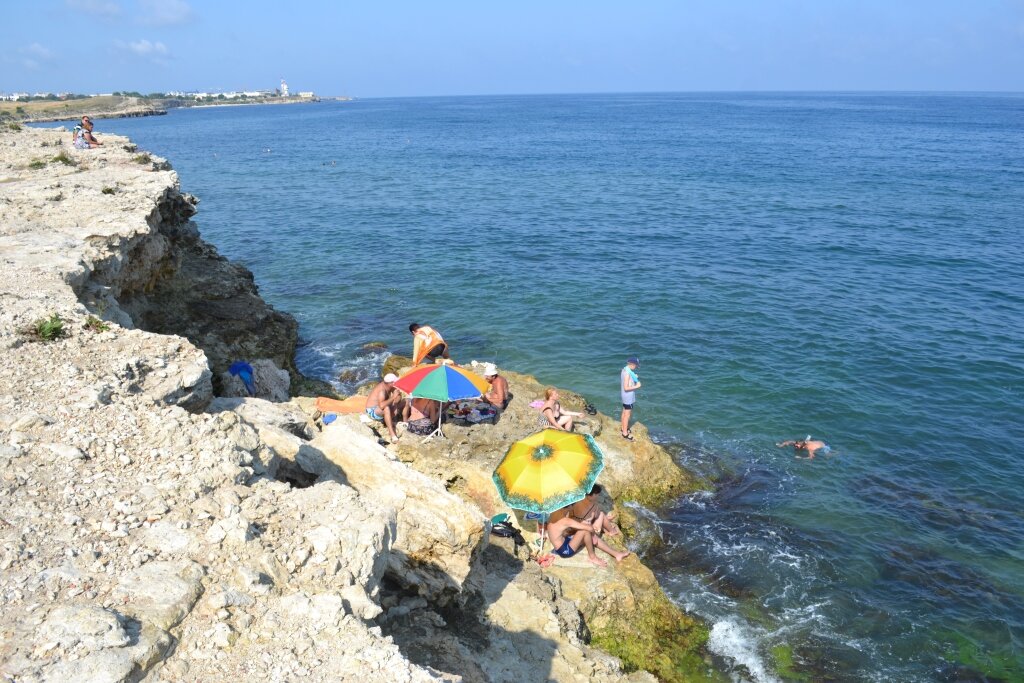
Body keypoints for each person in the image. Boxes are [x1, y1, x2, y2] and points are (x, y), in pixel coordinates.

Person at [543, 512, 630, 567]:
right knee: (585, 532)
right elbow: (588, 528)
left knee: (586, 534)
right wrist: (593, 534)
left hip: (562, 543)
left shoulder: (554, 515)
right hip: (565, 550)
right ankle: (593, 557)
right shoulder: (565, 520)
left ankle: (616, 554)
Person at [365, 373, 405, 442]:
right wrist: (393, 397)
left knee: (405, 401)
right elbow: (381, 406)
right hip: (372, 410)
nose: (396, 383)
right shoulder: (382, 391)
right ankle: (392, 435)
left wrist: (398, 396)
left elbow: (398, 399)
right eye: (394, 382)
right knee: (386, 408)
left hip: (382, 407)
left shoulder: (389, 386)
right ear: (390, 383)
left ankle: (405, 423)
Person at [620, 357, 641, 440]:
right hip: (628, 397)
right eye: (636, 366)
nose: (636, 367)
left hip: (624, 396)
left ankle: (623, 428)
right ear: (632, 364)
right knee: (627, 415)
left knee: (624, 412)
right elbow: (626, 388)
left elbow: (627, 380)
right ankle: (625, 433)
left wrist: (633, 377)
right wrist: (637, 386)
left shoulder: (624, 370)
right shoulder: (628, 373)